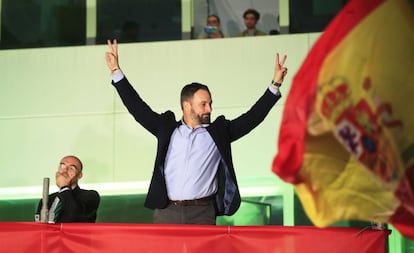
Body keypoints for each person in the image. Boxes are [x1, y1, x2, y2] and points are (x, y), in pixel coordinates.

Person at [105, 39, 287, 224]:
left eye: (210, 104)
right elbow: (137, 108)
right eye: (203, 104)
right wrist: (116, 72)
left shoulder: (219, 133)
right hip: (166, 211)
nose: (209, 109)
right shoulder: (166, 128)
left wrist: (275, 85)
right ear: (186, 105)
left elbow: (252, 117)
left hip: (202, 213)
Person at [35, 155, 100, 223]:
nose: (65, 171)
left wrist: (64, 187)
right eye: (62, 166)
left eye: (71, 168)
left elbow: (75, 217)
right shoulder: (47, 199)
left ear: (80, 175)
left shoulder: (90, 196)